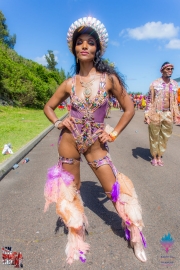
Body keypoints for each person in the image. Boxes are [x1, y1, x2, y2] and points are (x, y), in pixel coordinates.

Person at [43, 16, 147, 264]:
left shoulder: (109, 79)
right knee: (71, 191)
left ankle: (135, 234)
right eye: (80, 42)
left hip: (95, 144)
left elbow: (129, 108)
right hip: (69, 140)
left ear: (97, 48)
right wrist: (59, 121)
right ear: (75, 49)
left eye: (90, 42)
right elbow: (48, 106)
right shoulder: (69, 83)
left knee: (115, 190)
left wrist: (113, 132)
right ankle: (76, 239)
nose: (85, 46)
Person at [145, 62, 180, 166]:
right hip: (156, 113)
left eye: (171, 69)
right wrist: (147, 115)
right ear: (162, 70)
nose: (170, 71)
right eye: (168, 69)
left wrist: (177, 115)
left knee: (165, 136)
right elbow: (149, 100)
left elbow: (175, 102)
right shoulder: (154, 84)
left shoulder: (174, 84)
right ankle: (154, 157)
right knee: (154, 136)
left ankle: (160, 156)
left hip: (168, 113)